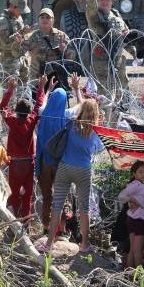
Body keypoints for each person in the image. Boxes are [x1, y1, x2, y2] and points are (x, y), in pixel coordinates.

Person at [43, 99, 105, 253]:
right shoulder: (95, 131)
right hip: (84, 170)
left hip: (65, 167)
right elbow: (98, 149)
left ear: (81, 110)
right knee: (84, 208)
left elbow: (69, 112)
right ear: (96, 114)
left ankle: (49, 243)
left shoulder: (71, 124)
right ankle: (84, 244)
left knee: (57, 205)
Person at [35, 74, 83, 233]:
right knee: (60, 197)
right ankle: (61, 230)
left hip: (43, 161)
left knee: (47, 197)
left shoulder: (43, 112)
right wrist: (76, 89)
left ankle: (45, 228)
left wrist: (46, 89)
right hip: (60, 162)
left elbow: (42, 102)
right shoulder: (67, 114)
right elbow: (82, 108)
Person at [0, 75, 47, 219]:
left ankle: (15, 218)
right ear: (28, 112)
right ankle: (26, 221)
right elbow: (39, 106)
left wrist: (10, 89)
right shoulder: (31, 120)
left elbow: (2, 107)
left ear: (16, 110)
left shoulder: (12, 120)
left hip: (15, 163)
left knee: (14, 192)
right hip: (28, 163)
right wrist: (41, 88)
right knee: (28, 194)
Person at [84, 0, 132, 118]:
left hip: (117, 63)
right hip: (101, 64)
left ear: (112, 1)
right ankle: (100, 121)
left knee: (119, 94)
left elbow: (125, 37)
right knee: (101, 95)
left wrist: (135, 52)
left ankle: (117, 120)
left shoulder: (117, 17)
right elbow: (91, 8)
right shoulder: (95, 17)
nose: (105, 2)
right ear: (98, 1)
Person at [16, 7, 72, 86]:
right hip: (37, 79)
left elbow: (72, 57)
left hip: (57, 78)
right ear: (38, 20)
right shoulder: (31, 37)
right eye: (42, 17)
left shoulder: (61, 36)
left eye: (48, 17)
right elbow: (18, 54)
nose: (44, 19)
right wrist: (17, 43)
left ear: (53, 20)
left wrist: (65, 50)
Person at [117, 160, 144, 269]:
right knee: (137, 251)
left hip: (133, 219)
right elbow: (121, 196)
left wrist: (132, 200)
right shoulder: (137, 185)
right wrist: (132, 200)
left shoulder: (135, 185)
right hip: (139, 220)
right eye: (140, 172)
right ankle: (140, 279)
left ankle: (129, 276)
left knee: (132, 250)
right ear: (134, 174)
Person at [0, 0, 31, 88]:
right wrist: (19, 34)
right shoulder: (2, 21)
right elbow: (5, 42)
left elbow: (21, 37)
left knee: (23, 89)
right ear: (12, 7)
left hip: (21, 58)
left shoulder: (18, 18)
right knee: (9, 92)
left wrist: (24, 32)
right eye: (19, 9)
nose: (21, 12)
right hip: (9, 61)